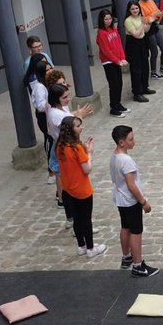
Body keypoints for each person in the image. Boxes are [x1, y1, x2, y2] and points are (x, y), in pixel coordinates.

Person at [110, 125, 158, 277]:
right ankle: (138, 265)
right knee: (136, 231)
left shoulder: (114, 156)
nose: (133, 141)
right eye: (130, 139)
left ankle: (126, 257)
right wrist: (143, 202)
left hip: (120, 198)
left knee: (125, 227)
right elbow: (131, 185)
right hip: (131, 201)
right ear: (121, 142)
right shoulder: (127, 161)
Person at [56, 116, 107, 258]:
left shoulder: (60, 145)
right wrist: (89, 153)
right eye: (78, 126)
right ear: (71, 129)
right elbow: (87, 169)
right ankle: (91, 248)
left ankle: (81, 246)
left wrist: (84, 148)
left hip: (68, 190)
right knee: (86, 220)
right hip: (82, 190)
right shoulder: (76, 148)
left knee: (77, 220)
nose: (81, 128)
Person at [47, 83, 92, 227]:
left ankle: (74, 219)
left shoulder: (61, 109)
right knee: (68, 185)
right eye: (64, 97)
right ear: (56, 99)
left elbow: (68, 116)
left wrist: (76, 115)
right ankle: (72, 219)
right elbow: (70, 129)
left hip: (68, 145)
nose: (68, 99)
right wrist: (79, 117)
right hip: (64, 147)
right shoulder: (55, 114)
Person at [25, 56, 55, 184]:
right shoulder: (38, 87)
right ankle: (51, 171)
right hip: (44, 117)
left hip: (52, 112)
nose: (50, 72)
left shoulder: (50, 82)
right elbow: (40, 105)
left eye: (50, 69)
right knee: (50, 141)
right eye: (47, 70)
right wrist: (52, 101)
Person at [95, 9, 129, 118]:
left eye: (110, 18)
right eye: (106, 19)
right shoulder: (101, 33)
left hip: (117, 61)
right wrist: (117, 61)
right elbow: (106, 51)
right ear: (102, 20)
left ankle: (118, 104)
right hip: (109, 62)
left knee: (119, 83)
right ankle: (113, 108)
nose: (108, 21)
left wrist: (122, 58)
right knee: (113, 85)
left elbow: (119, 45)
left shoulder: (114, 30)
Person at [124, 1, 155, 103]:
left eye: (136, 8)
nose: (135, 11)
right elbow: (136, 34)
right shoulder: (128, 21)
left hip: (142, 43)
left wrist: (149, 22)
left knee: (145, 66)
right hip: (133, 45)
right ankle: (137, 93)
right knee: (136, 69)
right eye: (132, 9)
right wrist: (142, 23)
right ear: (129, 10)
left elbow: (145, 31)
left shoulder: (140, 17)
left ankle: (144, 87)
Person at [137, 0, 163, 80]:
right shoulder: (139, 5)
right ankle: (153, 72)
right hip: (148, 29)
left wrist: (159, 14)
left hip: (155, 27)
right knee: (154, 51)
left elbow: (157, 12)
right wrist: (153, 15)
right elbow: (143, 19)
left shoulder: (151, 1)